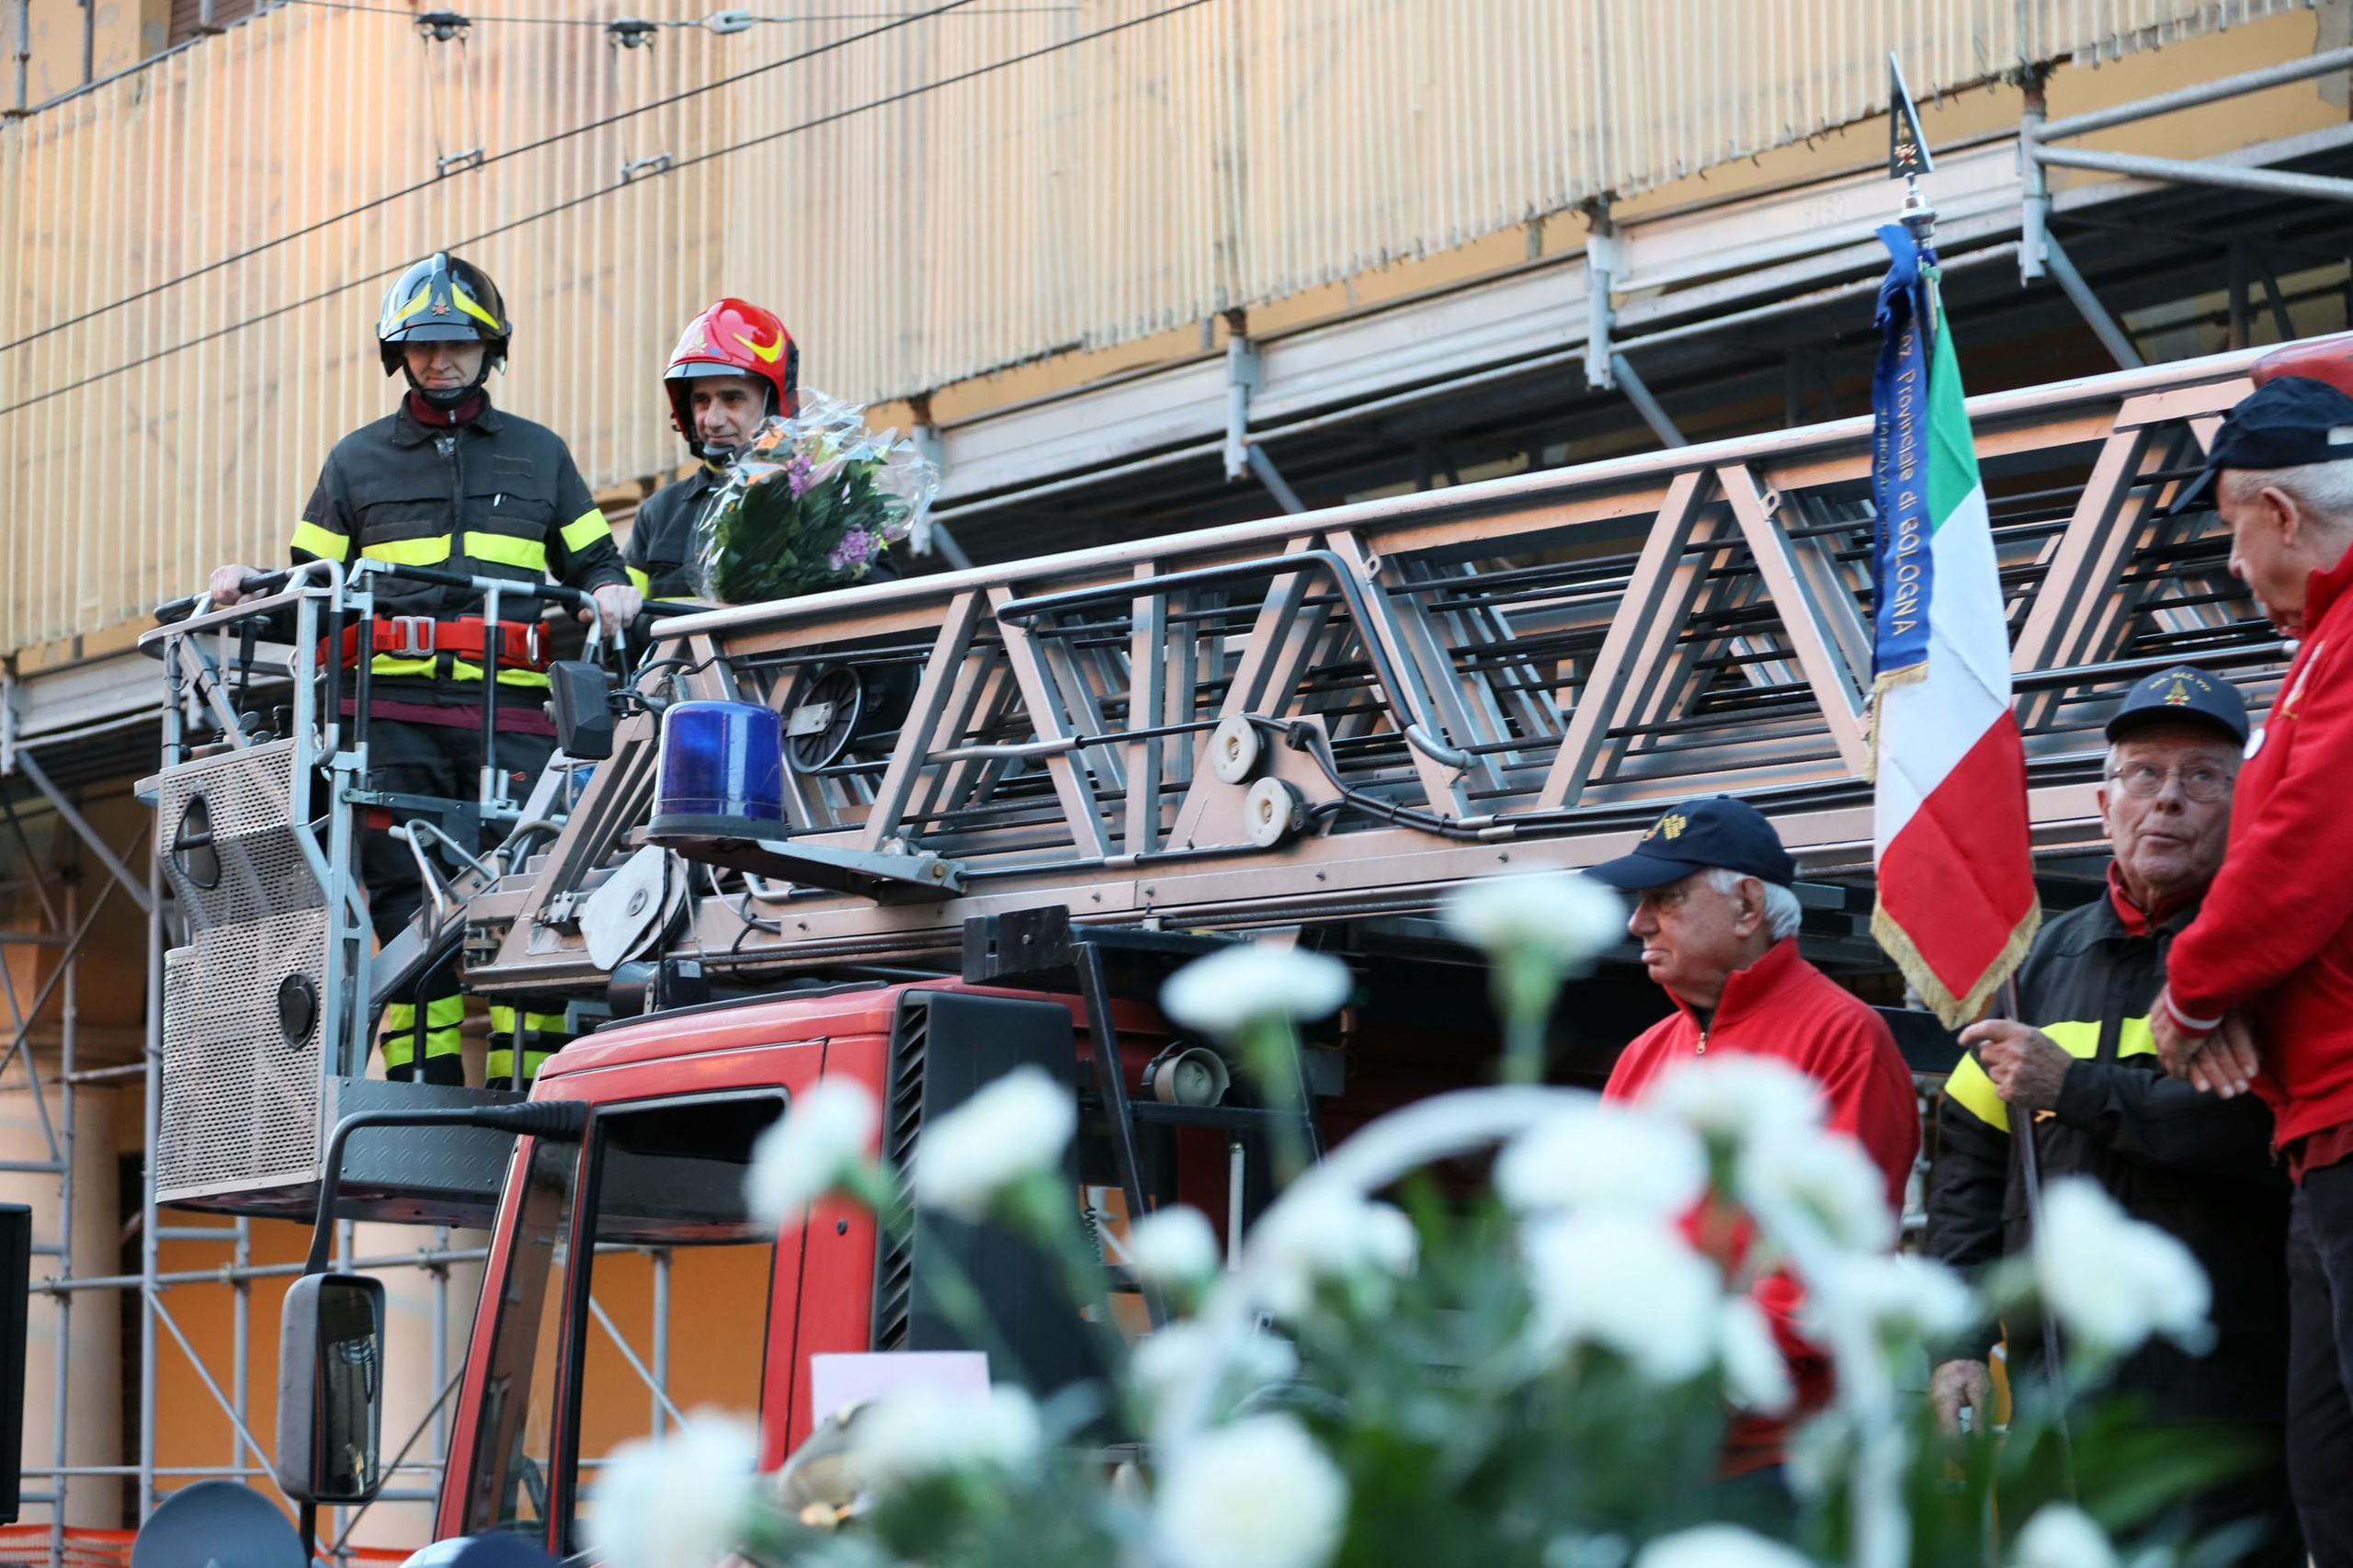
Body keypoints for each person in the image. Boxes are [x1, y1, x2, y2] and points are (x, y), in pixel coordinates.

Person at [210, 252, 641, 1090]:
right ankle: (422, 1080)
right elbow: (311, 585)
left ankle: (535, 1082)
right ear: (398, 355)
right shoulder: (355, 462)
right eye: (422, 346)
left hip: (515, 717)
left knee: (532, 890)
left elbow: (597, 562)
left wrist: (612, 589)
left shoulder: (540, 455)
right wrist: (245, 585)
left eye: (456, 344)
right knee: (409, 902)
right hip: (391, 718)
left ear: (489, 350)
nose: (439, 361)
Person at [1924, 665, 2296, 1560]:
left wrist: (2076, 1086)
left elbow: (2255, 1128)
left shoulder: (2278, 953)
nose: (2166, 799)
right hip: (2056, 1397)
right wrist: (1958, 1341)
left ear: (2245, 804)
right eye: (2142, 772)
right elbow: (1968, 1167)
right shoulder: (2029, 963)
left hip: (2228, 1397)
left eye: (2202, 775)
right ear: (2102, 801)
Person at [2148, 370, 2353, 1565]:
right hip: (2322, 1123)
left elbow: (2297, 855)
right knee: (2328, 1466)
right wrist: (2229, 987)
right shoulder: (2323, 647)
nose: (2230, 563)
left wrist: (2195, 988)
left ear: (2277, 511)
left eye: (2230, 528)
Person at [1585, 796, 1921, 1483]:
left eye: (1666, 898)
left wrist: (1710, 1383)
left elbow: (1836, 1246)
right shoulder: (1643, 1054)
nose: (1637, 921)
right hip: (1642, 1436)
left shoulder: (1843, 1034)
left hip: (1780, 1452)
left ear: (1747, 906)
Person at [627, 298, 802, 599]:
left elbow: (876, 606)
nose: (712, 419)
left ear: (773, 405)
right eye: (701, 400)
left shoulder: (820, 494)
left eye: (732, 399)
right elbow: (621, 632)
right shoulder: (658, 513)